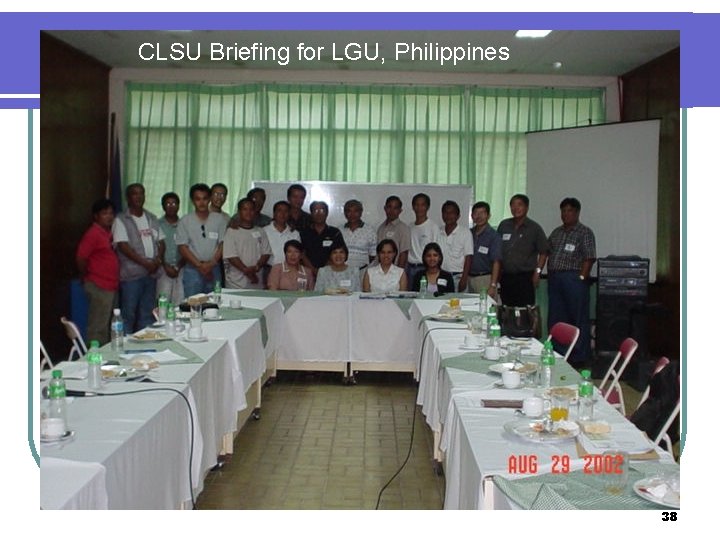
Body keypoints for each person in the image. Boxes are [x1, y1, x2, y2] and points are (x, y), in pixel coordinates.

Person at [547, 197, 596, 365]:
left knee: (577, 318)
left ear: (577, 213)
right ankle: (558, 354)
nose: (565, 214)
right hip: (555, 279)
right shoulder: (556, 232)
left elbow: (589, 257)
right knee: (557, 318)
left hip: (574, 279)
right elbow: (547, 252)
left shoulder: (584, 232)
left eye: (569, 211)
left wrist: (581, 278)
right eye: (563, 211)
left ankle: (579, 358)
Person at [113, 183, 165, 333]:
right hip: (132, 277)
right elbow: (123, 246)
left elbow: (161, 242)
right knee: (128, 314)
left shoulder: (151, 217)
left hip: (151, 274)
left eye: (141, 193)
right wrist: (145, 263)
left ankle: (145, 344)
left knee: (147, 314)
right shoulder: (121, 220)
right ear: (128, 197)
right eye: (134, 194)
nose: (139, 196)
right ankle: (124, 344)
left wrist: (157, 260)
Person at [76, 198, 119, 345]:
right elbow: (81, 257)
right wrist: (86, 276)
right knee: (98, 326)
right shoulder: (93, 233)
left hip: (111, 285)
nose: (109, 216)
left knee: (109, 324)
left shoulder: (107, 233)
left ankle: (108, 355)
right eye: (104, 213)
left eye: (111, 213)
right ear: (96, 216)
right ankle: (95, 356)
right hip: (99, 285)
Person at [497, 194, 550, 306]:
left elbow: (544, 252)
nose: (516, 208)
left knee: (525, 310)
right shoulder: (504, 225)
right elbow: (497, 249)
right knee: (507, 309)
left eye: (519, 205)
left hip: (525, 277)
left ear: (527, 207)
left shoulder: (534, 228)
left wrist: (537, 272)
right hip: (506, 276)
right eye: (513, 205)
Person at [176, 183, 225, 296]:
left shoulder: (219, 219)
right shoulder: (185, 221)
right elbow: (182, 247)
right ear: (192, 201)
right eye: (197, 199)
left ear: (209, 199)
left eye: (205, 198)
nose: (201, 202)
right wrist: (199, 266)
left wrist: (211, 264)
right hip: (193, 269)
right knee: (193, 303)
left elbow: (222, 244)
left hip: (214, 268)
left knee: (215, 303)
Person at [223, 198, 272, 289]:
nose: (248, 212)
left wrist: (257, 267)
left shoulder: (261, 231)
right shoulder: (231, 232)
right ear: (239, 212)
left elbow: (266, 253)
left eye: (251, 209)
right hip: (235, 283)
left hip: (257, 281)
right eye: (245, 209)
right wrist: (248, 272)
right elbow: (231, 256)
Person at [300, 201, 345, 275]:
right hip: (306, 273)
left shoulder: (335, 232)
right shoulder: (304, 233)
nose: (318, 214)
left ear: (327, 213)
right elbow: (302, 254)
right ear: (311, 213)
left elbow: (340, 253)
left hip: (330, 272)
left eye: (322, 210)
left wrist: (322, 271)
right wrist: (313, 270)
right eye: (315, 210)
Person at [437, 200, 473, 292]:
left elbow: (468, 257)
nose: (448, 215)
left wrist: (464, 279)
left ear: (458, 216)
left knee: (459, 301)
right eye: (445, 212)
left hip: (458, 277)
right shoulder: (438, 231)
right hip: (442, 276)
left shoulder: (465, 232)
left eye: (452, 213)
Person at [468, 201, 502, 299]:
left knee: (486, 306)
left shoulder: (494, 236)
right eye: (476, 213)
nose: (479, 216)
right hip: (469, 279)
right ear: (472, 216)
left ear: (488, 215)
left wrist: (493, 285)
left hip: (485, 279)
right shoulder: (469, 233)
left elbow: (496, 262)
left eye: (482, 213)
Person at [157, 192, 185, 305]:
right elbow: (156, 248)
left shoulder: (184, 224)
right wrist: (165, 265)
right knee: (162, 303)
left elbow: (189, 247)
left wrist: (178, 266)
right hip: (163, 269)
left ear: (178, 205)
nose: (171, 206)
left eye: (174, 203)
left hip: (181, 269)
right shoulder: (157, 224)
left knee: (179, 303)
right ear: (163, 206)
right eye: (168, 204)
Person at [406, 193, 440, 287]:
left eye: (422, 205)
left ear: (427, 207)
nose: (419, 208)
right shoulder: (409, 227)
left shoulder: (433, 227)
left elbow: (436, 251)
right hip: (410, 268)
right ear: (413, 207)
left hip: (425, 268)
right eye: (417, 205)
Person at [340, 199, 376, 271]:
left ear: (361, 212)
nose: (352, 214)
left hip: (362, 271)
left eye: (356, 211)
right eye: (349, 211)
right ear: (345, 213)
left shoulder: (370, 231)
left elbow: (373, 254)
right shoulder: (339, 231)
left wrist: (361, 267)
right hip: (342, 272)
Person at [376, 195, 410, 268]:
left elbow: (404, 253)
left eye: (395, 208)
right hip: (380, 269)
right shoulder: (381, 228)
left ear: (400, 211)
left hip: (394, 269)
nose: (392, 211)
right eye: (389, 207)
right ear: (385, 208)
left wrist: (399, 272)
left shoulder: (403, 228)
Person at [263, 201, 301, 267]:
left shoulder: (295, 233)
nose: (282, 214)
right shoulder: (264, 231)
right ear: (274, 213)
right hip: (269, 268)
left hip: (290, 268)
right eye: (279, 210)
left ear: (289, 214)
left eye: (286, 211)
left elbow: (298, 254)